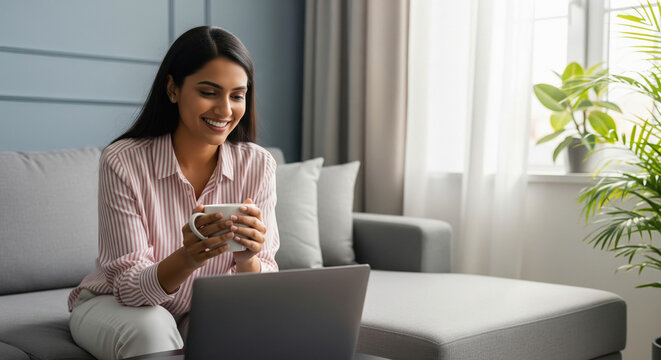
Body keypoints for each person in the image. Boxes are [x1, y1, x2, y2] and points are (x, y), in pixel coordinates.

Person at [67, 26, 280, 360]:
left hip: (200, 311)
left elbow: (263, 286)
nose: (225, 111)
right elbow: (129, 288)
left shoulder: (257, 165)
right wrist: (189, 257)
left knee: (247, 335)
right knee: (152, 331)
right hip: (116, 304)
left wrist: (247, 259)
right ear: (172, 89)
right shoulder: (123, 161)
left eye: (237, 95)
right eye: (209, 92)